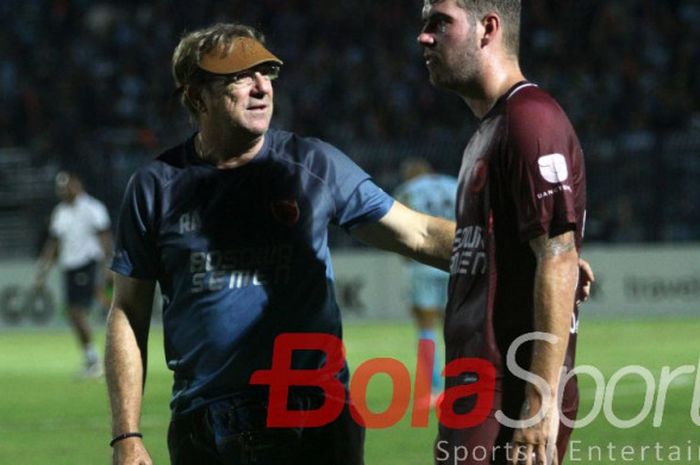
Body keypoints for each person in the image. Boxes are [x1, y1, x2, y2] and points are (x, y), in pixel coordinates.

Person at [105, 23, 456, 465]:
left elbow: (420, 235)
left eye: (267, 73)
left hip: (312, 418)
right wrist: (126, 436)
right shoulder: (154, 187)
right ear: (196, 97)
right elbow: (127, 312)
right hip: (203, 427)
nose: (261, 87)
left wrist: (523, 256)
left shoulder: (313, 165)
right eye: (238, 76)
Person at [417, 1, 591, 464]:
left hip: (507, 398)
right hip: (478, 392)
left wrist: (537, 407)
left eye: (439, 23)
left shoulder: (528, 118)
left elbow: (557, 257)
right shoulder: (489, 129)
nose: (424, 37)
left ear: (487, 28)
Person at [34, 171, 112, 378]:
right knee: (75, 312)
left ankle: (94, 361)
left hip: (87, 263)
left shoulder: (92, 208)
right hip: (69, 267)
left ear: (77, 184)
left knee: (76, 311)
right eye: (60, 187)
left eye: (65, 186)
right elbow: (53, 243)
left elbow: (105, 238)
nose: (62, 191)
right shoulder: (60, 212)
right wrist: (43, 269)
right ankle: (92, 359)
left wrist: (109, 266)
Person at [394, 157, 457, 402]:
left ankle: (436, 389)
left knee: (426, 326)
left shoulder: (408, 190)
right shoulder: (454, 185)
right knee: (456, 325)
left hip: (423, 264)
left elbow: (397, 226)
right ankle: (464, 384)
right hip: (456, 261)